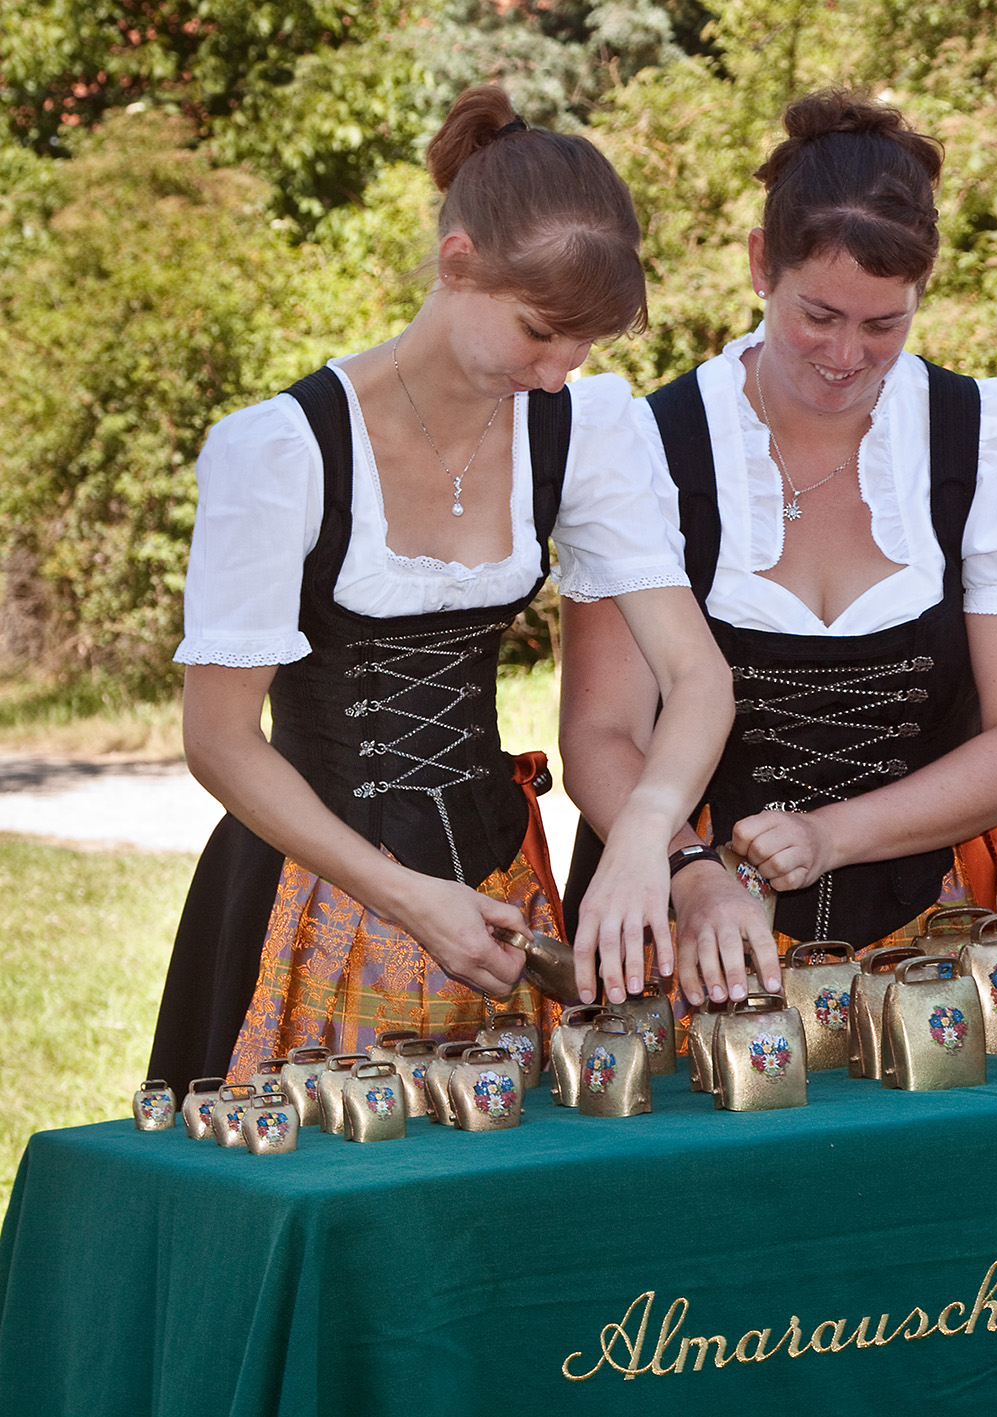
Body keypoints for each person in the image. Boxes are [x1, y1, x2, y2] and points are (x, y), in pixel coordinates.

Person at [148, 86, 728, 1087]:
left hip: (505, 895)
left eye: (584, 346)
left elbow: (697, 676)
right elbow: (220, 739)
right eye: (539, 332)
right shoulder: (281, 452)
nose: (558, 371)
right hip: (314, 896)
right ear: (457, 264)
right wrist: (408, 899)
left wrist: (643, 839)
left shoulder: (583, 431)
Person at [559, 90, 997, 1012]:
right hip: (696, 922)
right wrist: (688, 868)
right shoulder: (649, 447)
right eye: (821, 314)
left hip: (945, 934)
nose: (847, 354)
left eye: (884, 324)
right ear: (762, 264)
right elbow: (602, 732)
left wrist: (832, 834)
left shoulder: (986, 439)